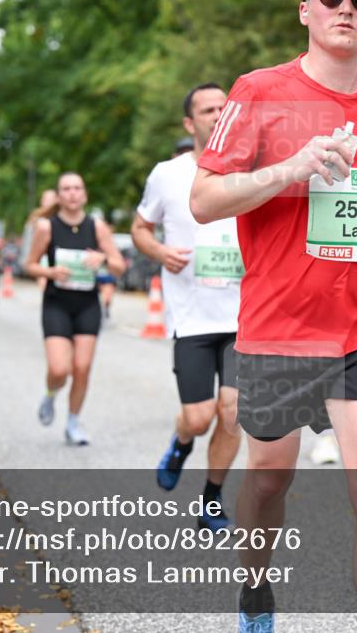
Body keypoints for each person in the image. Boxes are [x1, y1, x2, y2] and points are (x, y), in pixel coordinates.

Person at [190, 0, 357, 630]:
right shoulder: (258, 92)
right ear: (305, 10)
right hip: (280, 326)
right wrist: (290, 168)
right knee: (270, 477)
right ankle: (255, 586)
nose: (346, 6)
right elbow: (204, 200)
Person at [132, 83, 242, 533]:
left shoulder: (253, 171)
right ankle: (180, 444)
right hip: (192, 317)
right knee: (198, 418)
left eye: (224, 108)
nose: (218, 115)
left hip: (243, 315)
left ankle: (212, 502)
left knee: (234, 412)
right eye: (207, 110)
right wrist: (159, 253)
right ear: (189, 123)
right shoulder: (167, 174)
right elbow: (140, 227)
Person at [25, 173, 125, 446]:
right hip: (57, 302)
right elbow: (29, 265)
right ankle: (50, 394)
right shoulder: (47, 227)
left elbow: (119, 266)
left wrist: (103, 258)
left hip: (87, 304)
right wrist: (50, 271)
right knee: (59, 369)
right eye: (66, 189)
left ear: (84, 194)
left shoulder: (98, 227)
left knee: (81, 368)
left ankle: (72, 422)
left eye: (77, 188)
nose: (71, 193)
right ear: (59, 195)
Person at [25, 190, 59, 292]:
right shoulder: (36, 218)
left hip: (58, 255)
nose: (48, 202)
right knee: (44, 283)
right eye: (45, 199)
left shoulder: (61, 217)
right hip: (42, 257)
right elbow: (29, 241)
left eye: (51, 199)